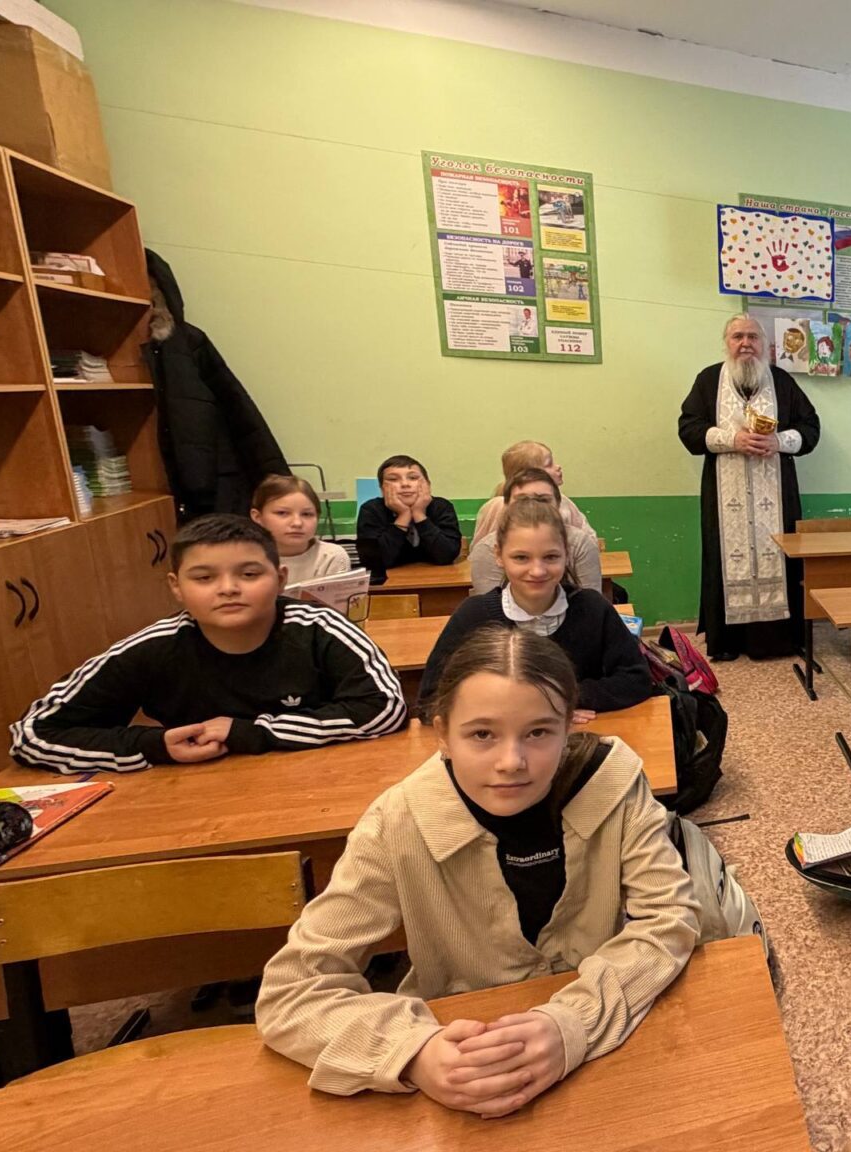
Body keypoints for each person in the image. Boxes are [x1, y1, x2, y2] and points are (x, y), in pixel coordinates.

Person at [256, 624, 697, 1113]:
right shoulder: (396, 823)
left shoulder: (614, 782)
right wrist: (412, 1053)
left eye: (539, 732)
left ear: (570, 725)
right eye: (482, 734)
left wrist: (575, 1022)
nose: (512, 761)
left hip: (609, 1059)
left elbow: (669, 917)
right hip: (460, 1062)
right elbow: (291, 993)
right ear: (442, 734)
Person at [9, 514, 405, 772]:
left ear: (281, 579)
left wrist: (249, 732)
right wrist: (154, 745)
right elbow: (32, 734)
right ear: (176, 587)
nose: (228, 588)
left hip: (317, 785)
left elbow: (385, 708)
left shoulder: (320, 628)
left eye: (249, 574)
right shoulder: (153, 647)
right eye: (204, 578)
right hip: (196, 802)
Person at [420, 500, 653, 716]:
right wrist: (535, 709)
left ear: (566, 554)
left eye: (551, 557)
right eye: (521, 558)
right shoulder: (474, 615)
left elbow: (637, 679)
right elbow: (431, 698)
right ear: (499, 556)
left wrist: (567, 700)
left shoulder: (593, 608)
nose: (538, 571)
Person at [677, 314, 822, 662]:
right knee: (725, 560)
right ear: (726, 343)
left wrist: (778, 441)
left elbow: (811, 428)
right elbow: (688, 429)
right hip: (723, 496)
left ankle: (778, 641)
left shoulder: (782, 381)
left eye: (753, 337)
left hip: (777, 495)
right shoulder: (708, 380)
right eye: (738, 336)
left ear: (765, 344)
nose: (745, 343)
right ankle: (727, 642)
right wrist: (732, 439)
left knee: (781, 558)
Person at [143, 249, 290, 521]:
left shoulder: (188, 344)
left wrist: (281, 488)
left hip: (209, 488)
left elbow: (241, 414)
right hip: (158, 488)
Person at [469, 468, 602, 595]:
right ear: (506, 506)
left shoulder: (580, 543)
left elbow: (591, 602)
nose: (533, 506)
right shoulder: (486, 548)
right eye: (522, 500)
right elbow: (490, 605)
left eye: (543, 500)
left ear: (558, 504)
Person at [356, 455, 462, 582]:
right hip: (390, 584)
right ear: (382, 489)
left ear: (428, 485)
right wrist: (403, 516)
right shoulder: (371, 510)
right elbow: (375, 563)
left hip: (438, 580)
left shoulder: (442, 507)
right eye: (393, 479)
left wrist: (419, 514)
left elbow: (446, 556)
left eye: (413, 478)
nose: (405, 484)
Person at [473, 440, 590, 542]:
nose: (558, 467)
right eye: (549, 464)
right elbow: (482, 549)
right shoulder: (497, 507)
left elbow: (587, 539)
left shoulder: (564, 503)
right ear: (528, 474)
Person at [250, 473, 350, 587]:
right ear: (258, 517)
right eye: (282, 513)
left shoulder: (331, 557)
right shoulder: (243, 556)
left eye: (307, 514)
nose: (297, 523)